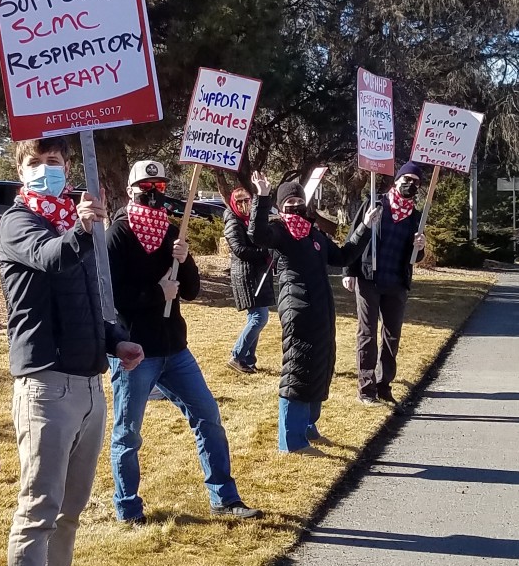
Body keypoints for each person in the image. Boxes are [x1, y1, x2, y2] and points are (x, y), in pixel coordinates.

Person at [0, 136, 144, 566]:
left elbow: (87, 304)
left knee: (71, 507)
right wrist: (84, 227)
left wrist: (115, 340)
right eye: (35, 163)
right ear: (21, 169)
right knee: (38, 509)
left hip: (87, 385)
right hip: (44, 386)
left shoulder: (72, 225)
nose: (46, 171)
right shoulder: (20, 224)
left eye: (54, 162)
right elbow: (50, 261)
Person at [106, 159, 258, 525]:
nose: (154, 193)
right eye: (146, 187)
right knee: (128, 434)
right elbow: (110, 295)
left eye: (159, 187)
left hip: (174, 349)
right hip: (135, 350)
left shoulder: (173, 232)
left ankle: (224, 497)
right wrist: (156, 292)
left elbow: (190, 290)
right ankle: (128, 509)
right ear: (131, 190)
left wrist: (185, 260)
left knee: (208, 417)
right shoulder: (118, 234)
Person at [248, 170, 351, 453]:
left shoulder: (314, 233)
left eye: (298, 199)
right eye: (288, 201)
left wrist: (365, 228)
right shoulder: (279, 230)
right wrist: (262, 195)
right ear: (281, 206)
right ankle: (291, 441)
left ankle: (308, 426)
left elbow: (343, 256)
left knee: (319, 364)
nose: (294, 205)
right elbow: (256, 235)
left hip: (321, 309)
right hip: (297, 309)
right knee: (298, 368)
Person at [342, 162, 427, 404]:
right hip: (369, 278)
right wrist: (349, 270)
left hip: (397, 282)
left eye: (415, 182)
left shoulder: (416, 218)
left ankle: (383, 383)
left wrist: (420, 247)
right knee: (367, 333)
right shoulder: (375, 204)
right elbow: (353, 238)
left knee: (392, 336)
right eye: (406, 179)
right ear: (396, 181)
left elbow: (415, 258)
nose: (410, 184)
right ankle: (366, 388)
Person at [222, 184, 274, 372]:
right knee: (259, 318)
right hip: (246, 276)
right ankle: (237, 355)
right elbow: (239, 250)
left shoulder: (250, 220)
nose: (244, 204)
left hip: (257, 273)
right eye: (239, 201)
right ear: (233, 203)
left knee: (256, 317)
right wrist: (264, 252)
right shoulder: (233, 223)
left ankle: (248, 359)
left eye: (247, 200)